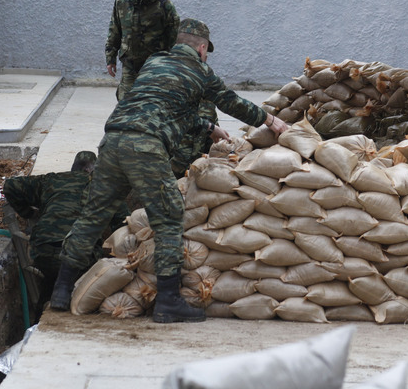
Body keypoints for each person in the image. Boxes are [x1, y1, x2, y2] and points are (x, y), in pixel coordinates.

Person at [52, 18, 289, 322]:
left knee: (93, 216)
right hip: (146, 147)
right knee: (168, 218)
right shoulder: (200, 71)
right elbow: (233, 103)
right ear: (202, 49)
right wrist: (271, 121)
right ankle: (167, 300)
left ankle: (60, 289)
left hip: (112, 141)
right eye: (206, 52)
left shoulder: (154, 63)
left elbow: (161, 107)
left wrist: (207, 127)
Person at [3, 151, 129, 322]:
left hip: (42, 250)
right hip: (82, 258)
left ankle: (40, 317)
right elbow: (123, 226)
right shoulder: (104, 187)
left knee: (49, 281)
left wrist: (28, 213)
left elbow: (11, 185)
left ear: (73, 168)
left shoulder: (51, 180)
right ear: (95, 171)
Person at [105, 0, 180, 101]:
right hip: (129, 64)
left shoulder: (164, 5)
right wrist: (110, 58)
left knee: (151, 102)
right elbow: (114, 30)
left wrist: (171, 64)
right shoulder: (122, 1)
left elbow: (173, 37)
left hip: (154, 66)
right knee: (125, 102)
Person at [169, 99, 218, 179]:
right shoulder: (173, 98)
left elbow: (212, 137)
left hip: (196, 169)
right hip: (171, 169)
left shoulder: (208, 104)